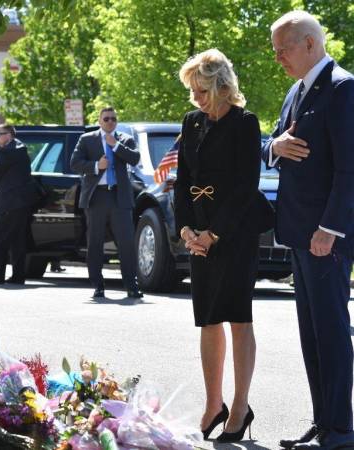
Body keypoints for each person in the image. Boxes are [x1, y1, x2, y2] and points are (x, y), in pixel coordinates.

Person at [262, 11, 354, 450]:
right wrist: (273, 147)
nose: (278, 57)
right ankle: (323, 423)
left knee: (332, 331)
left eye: (284, 49)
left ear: (310, 44)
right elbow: (276, 144)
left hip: (325, 236)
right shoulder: (294, 91)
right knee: (311, 332)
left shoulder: (342, 88)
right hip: (298, 233)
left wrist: (330, 229)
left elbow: (349, 168)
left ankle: (340, 428)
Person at [175, 49, 273, 442]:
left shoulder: (245, 123)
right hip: (198, 233)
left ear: (221, 85)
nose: (196, 98)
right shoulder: (192, 122)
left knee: (237, 315)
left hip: (234, 234)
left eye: (202, 90)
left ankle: (240, 405)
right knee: (207, 318)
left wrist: (214, 234)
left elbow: (246, 187)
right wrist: (186, 231)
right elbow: (182, 182)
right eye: (193, 91)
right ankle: (213, 404)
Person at [70, 107, 142, 299]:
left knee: (126, 243)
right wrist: (95, 166)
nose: (110, 122)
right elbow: (75, 163)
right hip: (97, 197)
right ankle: (98, 284)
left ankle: (131, 284)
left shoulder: (125, 139)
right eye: (106, 119)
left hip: (119, 196)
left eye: (113, 119)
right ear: (100, 121)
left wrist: (115, 145)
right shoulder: (87, 139)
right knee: (95, 243)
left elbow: (135, 158)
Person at [0, 123, 39, 285]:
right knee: (17, 240)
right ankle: (18, 275)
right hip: (20, 203)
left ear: (9, 135)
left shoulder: (8, 151)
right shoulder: (20, 148)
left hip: (9, 202)